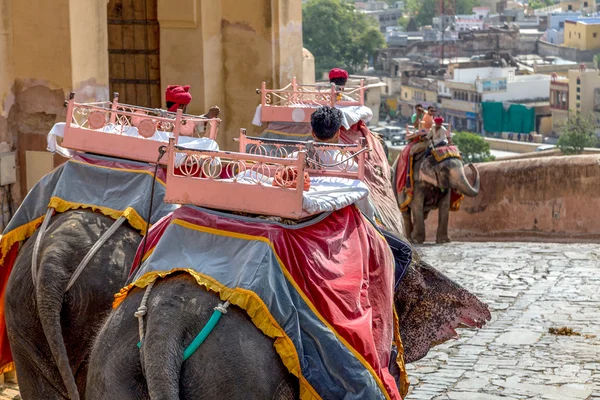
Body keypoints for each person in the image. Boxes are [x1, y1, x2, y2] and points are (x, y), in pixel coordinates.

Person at [290, 106, 376, 218]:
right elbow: (364, 207)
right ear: (338, 133)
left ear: (313, 133)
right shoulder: (349, 165)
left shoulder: (294, 159)